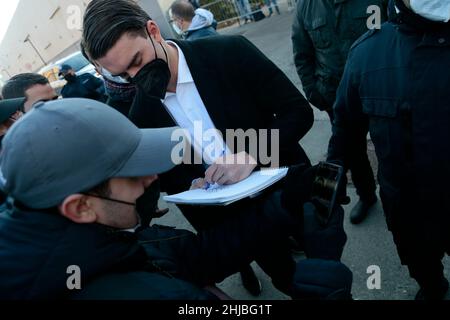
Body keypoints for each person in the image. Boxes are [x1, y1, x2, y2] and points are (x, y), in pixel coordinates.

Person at [81, 0, 346, 297]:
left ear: (153, 31)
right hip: (237, 228)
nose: (136, 78)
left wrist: (253, 154)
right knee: (291, 283)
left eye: (137, 62)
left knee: (327, 278)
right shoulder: (140, 115)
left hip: (293, 193)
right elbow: (171, 178)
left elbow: (297, 112)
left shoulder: (229, 52)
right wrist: (192, 185)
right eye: (124, 76)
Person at [0, 98, 352, 300]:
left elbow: (192, 256)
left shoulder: (94, 234)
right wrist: (322, 282)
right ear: (79, 206)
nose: (152, 177)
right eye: (132, 172)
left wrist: (282, 205)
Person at [327, 0, 450, 300]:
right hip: (408, 207)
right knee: (424, 268)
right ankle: (433, 286)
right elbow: (344, 133)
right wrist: (323, 193)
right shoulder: (368, 53)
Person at [292, 0, 389, 224]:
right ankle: (367, 196)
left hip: (377, 88)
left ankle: (399, 196)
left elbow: (393, 32)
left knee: (389, 145)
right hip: (336, 95)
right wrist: (313, 91)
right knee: (353, 151)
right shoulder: (306, 6)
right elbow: (302, 53)